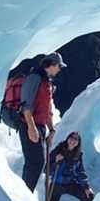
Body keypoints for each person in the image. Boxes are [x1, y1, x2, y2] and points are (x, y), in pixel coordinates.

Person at [18, 52, 66, 192]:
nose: (59, 69)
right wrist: (31, 127)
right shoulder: (34, 78)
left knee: (36, 163)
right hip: (29, 125)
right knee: (35, 163)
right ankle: (23, 195)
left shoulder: (47, 82)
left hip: (40, 127)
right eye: (58, 66)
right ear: (50, 65)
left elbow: (48, 109)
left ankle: (24, 193)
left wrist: (51, 129)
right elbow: (26, 105)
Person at [46, 131, 94, 201]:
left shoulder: (78, 155)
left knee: (88, 195)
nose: (73, 141)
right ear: (67, 138)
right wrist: (55, 162)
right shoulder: (58, 150)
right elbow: (46, 170)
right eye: (71, 138)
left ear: (78, 143)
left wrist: (86, 187)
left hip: (69, 183)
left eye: (76, 139)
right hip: (56, 184)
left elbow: (80, 172)